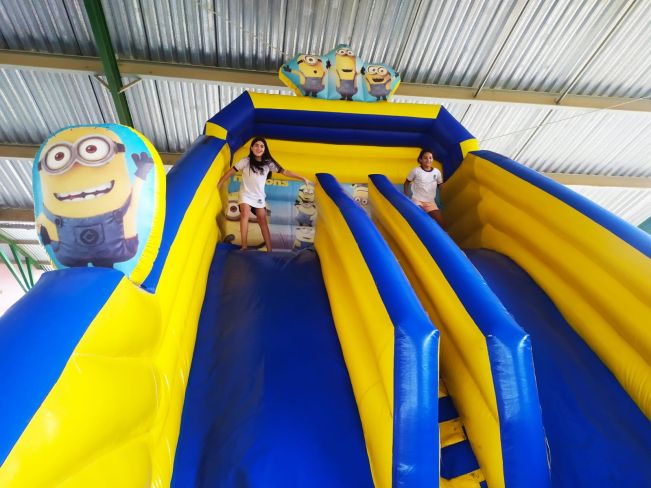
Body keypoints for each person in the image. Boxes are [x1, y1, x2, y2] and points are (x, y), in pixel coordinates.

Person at [218, 137, 310, 251]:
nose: (259, 148)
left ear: (265, 149)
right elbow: (230, 172)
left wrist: (302, 178)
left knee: (262, 221)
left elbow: (285, 172)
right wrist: (220, 183)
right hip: (245, 194)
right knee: (245, 213)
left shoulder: (268, 163)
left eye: (262, 146)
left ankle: (269, 249)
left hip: (259, 197)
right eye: (256, 145)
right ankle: (244, 246)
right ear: (252, 148)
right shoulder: (245, 161)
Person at [404, 150, 445, 227]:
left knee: (441, 223)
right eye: (425, 158)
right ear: (420, 160)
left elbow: (440, 185)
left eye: (430, 158)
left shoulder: (436, 172)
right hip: (417, 200)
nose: (428, 160)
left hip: (430, 202)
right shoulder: (416, 171)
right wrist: (405, 196)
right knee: (420, 219)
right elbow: (406, 182)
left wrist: (443, 187)